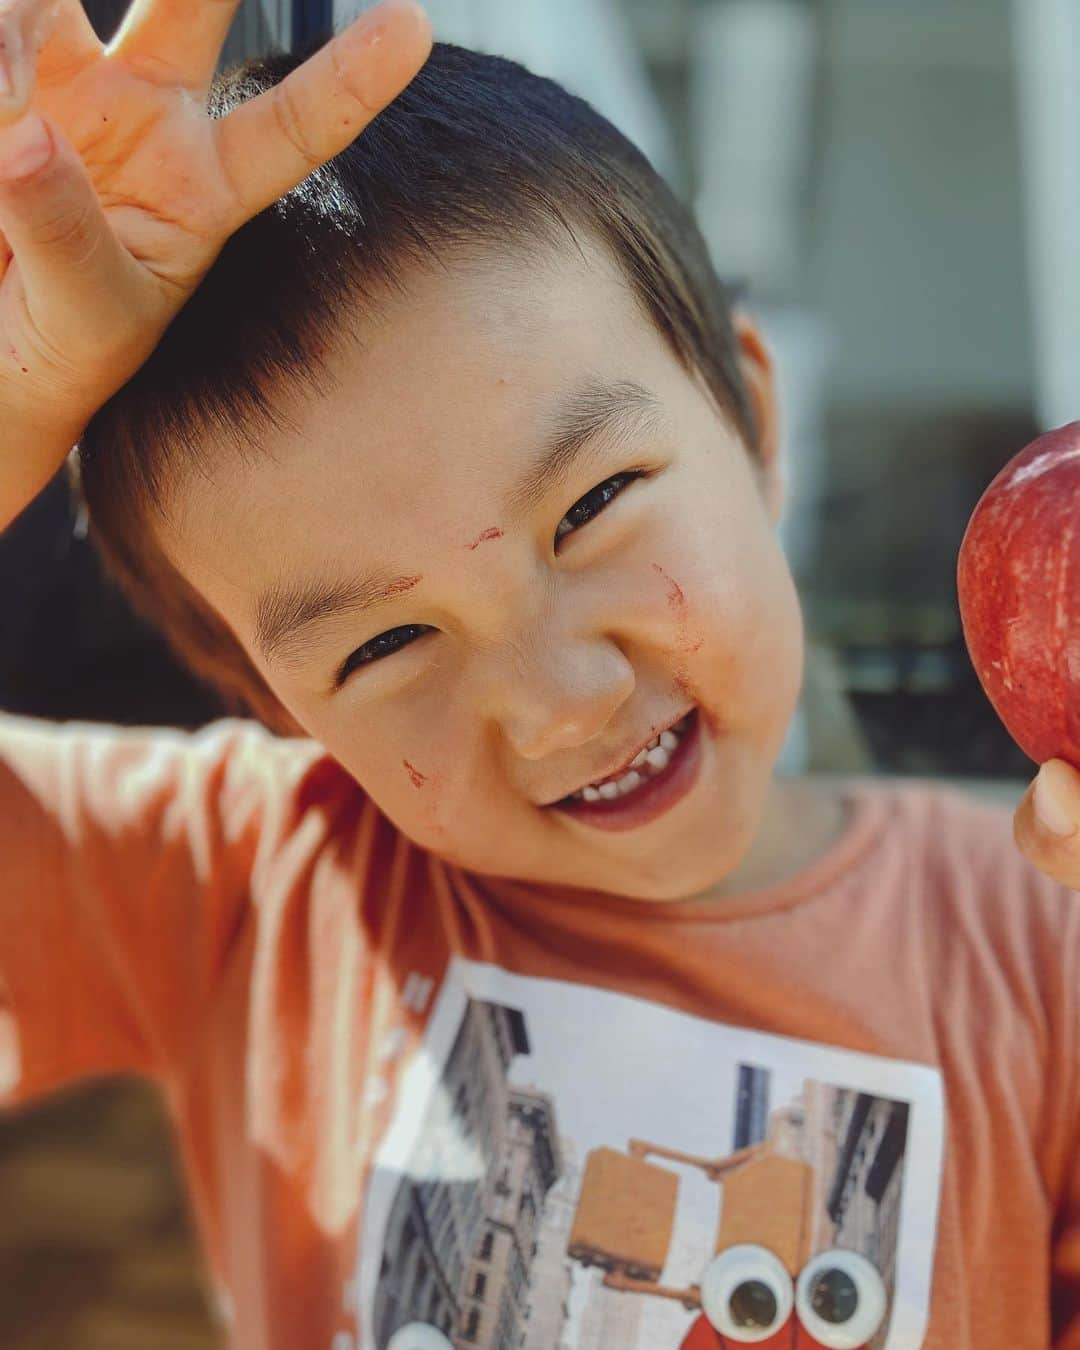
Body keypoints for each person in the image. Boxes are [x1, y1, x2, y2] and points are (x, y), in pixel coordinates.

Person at [0, 2, 1077, 1347]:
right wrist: (21, 395)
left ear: (752, 413)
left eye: (594, 506)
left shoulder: (1041, 943)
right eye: (383, 644)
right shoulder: (248, 888)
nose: (559, 697)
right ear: (277, 704)